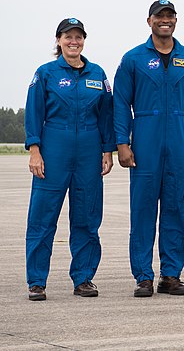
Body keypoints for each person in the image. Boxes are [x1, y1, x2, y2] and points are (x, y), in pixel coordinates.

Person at [114, 0, 184, 297]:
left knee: (174, 210)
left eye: (169, 17)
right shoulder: (133, 59)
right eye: (159, 17)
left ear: (176, 21)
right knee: (142, 211)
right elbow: (120, 103)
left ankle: (170, 275)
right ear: (149, 21)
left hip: (179, 142)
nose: (164, 21)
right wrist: (122, 143)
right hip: (145, 141)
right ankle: (143, 276)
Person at [24, 18, 114, 301]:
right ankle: (37, 281)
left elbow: (107, 116)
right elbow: (34, 113)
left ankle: (84, 278)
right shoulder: (46, 73)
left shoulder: (97, 74)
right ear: (58, 41)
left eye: (78, 37)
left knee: (87, 218)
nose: (73, 42)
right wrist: (34, 150)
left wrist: (107, 150)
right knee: (42, 218)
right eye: (68, 37)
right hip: (54, 148)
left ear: (83, 40)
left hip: (89, 150)